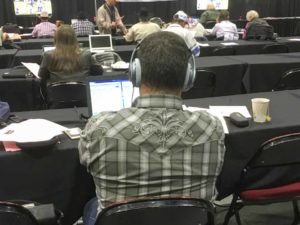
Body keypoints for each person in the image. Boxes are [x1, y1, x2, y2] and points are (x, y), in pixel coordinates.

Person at [79, 31, 226, 225]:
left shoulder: (99, 128)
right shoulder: (212, 127)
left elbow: (85, 162)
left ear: (135, 72)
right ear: (189, 76)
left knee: (91, 204)